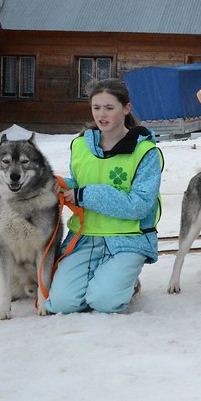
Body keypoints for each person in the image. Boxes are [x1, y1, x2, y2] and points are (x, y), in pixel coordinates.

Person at [46, 78, 163, 314]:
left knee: (104, 302)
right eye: (96, 107)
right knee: (62, 304)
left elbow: (139, 205)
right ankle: (110, 279)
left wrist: (84, 195)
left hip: (128, 238)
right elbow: (79, 185)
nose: (102, 115)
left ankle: (124, 282)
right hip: (85, 236)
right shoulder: (80, 145)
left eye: (109, 108)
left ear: (126, 108)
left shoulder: (146, 151)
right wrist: (59, 185)